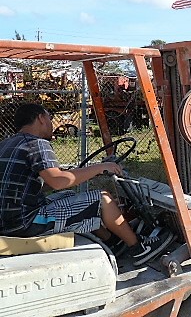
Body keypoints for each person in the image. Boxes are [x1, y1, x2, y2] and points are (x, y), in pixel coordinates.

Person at [0, 103, 172, 265]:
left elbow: (42, 184)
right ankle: (139, 248)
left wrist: (82, 174)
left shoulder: (6, 144)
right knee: (102, 200)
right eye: (50, 119)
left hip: (7, 221)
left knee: (71, 196)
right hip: (27, 222)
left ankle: (113, 242)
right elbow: (59, 181)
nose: (52, 124)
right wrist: (100, 167)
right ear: (41, 118)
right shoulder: (37, 144)